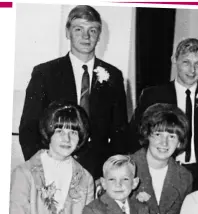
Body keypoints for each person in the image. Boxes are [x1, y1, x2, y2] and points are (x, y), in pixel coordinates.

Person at [19, 5, 128, 180]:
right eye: (79, 29)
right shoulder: (45, 73)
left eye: (92, 30)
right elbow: (28, 129)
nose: (86, 36)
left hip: (97, 174)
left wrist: (109, 176)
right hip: (52, 169)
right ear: (67, 32)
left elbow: (120, 134)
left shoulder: (113, 76)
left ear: (99, 35)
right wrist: (42, 170)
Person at [130, 38, 198, 189]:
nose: (192, 70)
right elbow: (134, 136)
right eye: (186, 62)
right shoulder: (153, 95)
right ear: (174, 60)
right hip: (164, 171)